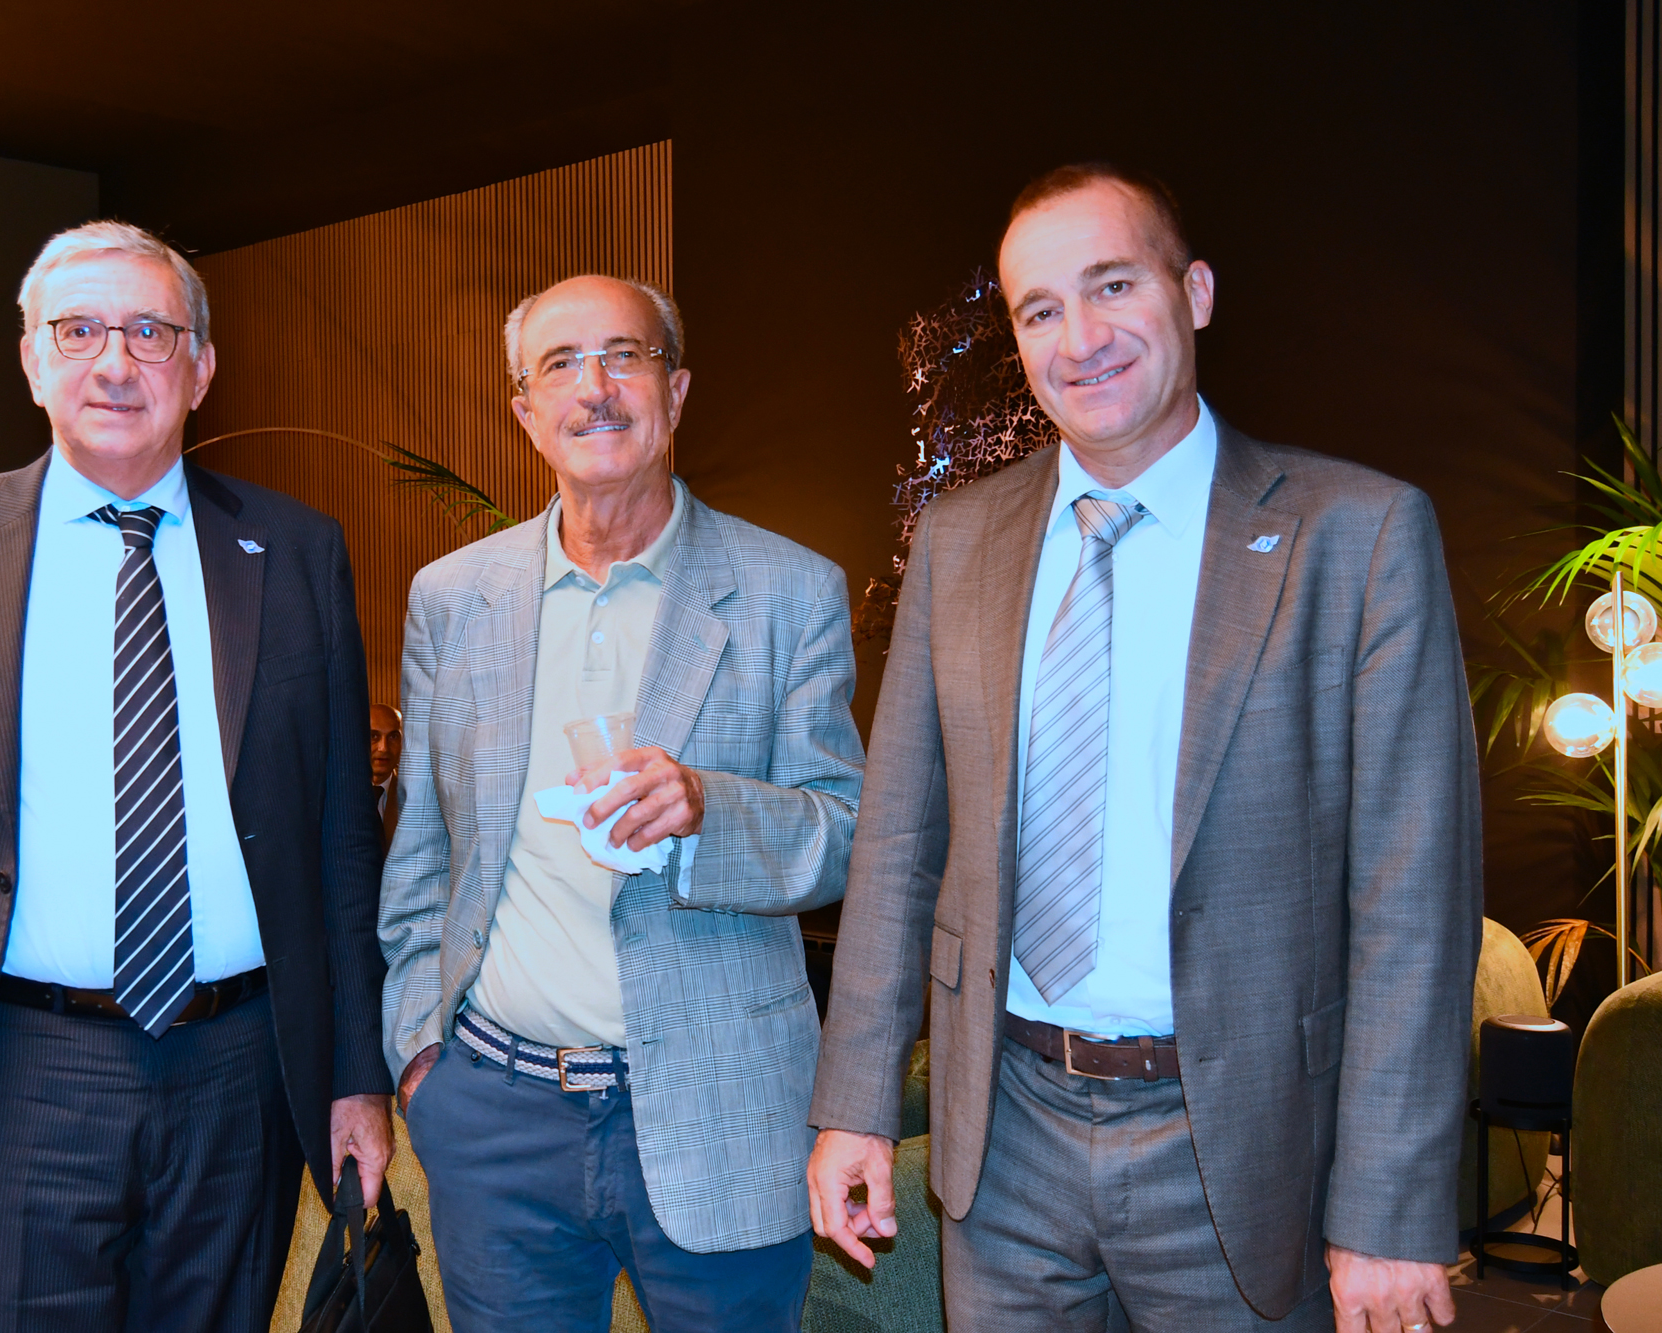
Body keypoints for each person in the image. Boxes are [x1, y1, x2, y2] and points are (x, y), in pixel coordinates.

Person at [807, 163, 1481, 1333]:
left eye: (1111, 285)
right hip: (1004, 1136)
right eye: (1039, 309)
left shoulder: (1358, 536)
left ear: (1195, 293)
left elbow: (1411, 900)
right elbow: (900, 841)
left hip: (1239, 1149)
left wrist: (1386, 1207)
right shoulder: (957, 541)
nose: (1079, 338)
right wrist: (856, 1102)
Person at [0, 220, 393, 1331]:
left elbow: (339, 839)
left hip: (240, 1080)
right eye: (78, 330)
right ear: (31, 359)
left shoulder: (298, 551)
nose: (115, 362)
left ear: (200, 368)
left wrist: (357, 1068)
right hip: (11, 1077)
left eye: (150, 332)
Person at [379, 275, 864, 1333]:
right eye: (560, 364)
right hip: (494, 1118)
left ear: (675, 391)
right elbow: (420, 848)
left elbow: (842, 833)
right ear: (525, 412)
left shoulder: (789, 592)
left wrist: (706, 808)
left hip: (718, 1111)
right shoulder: (452, 597)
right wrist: (422, 1055)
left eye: (623, 356)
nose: (593, 386)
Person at [371, 702, 403, 851]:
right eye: (374, 736)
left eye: (393, 737)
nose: (383, 748)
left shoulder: (415, 797)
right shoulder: (335, 795)